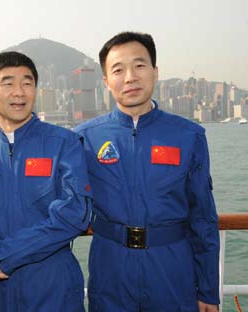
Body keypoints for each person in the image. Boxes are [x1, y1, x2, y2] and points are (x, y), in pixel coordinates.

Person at [75, 31, 220, 311]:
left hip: (171, 267)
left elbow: (203, 217)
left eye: (139, 65)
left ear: (155, 72)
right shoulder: (84, 138)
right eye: (118, 70)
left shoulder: (189, 135)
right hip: (110, 267)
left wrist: (209, 291)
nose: (130, 77)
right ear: (106, 81)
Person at [0, 51, 91, 311]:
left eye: (27, 83)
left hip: (53, 282)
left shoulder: (63, 143)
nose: (19, 92)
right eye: (8, 83)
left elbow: (73, 213)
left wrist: (4, 255)